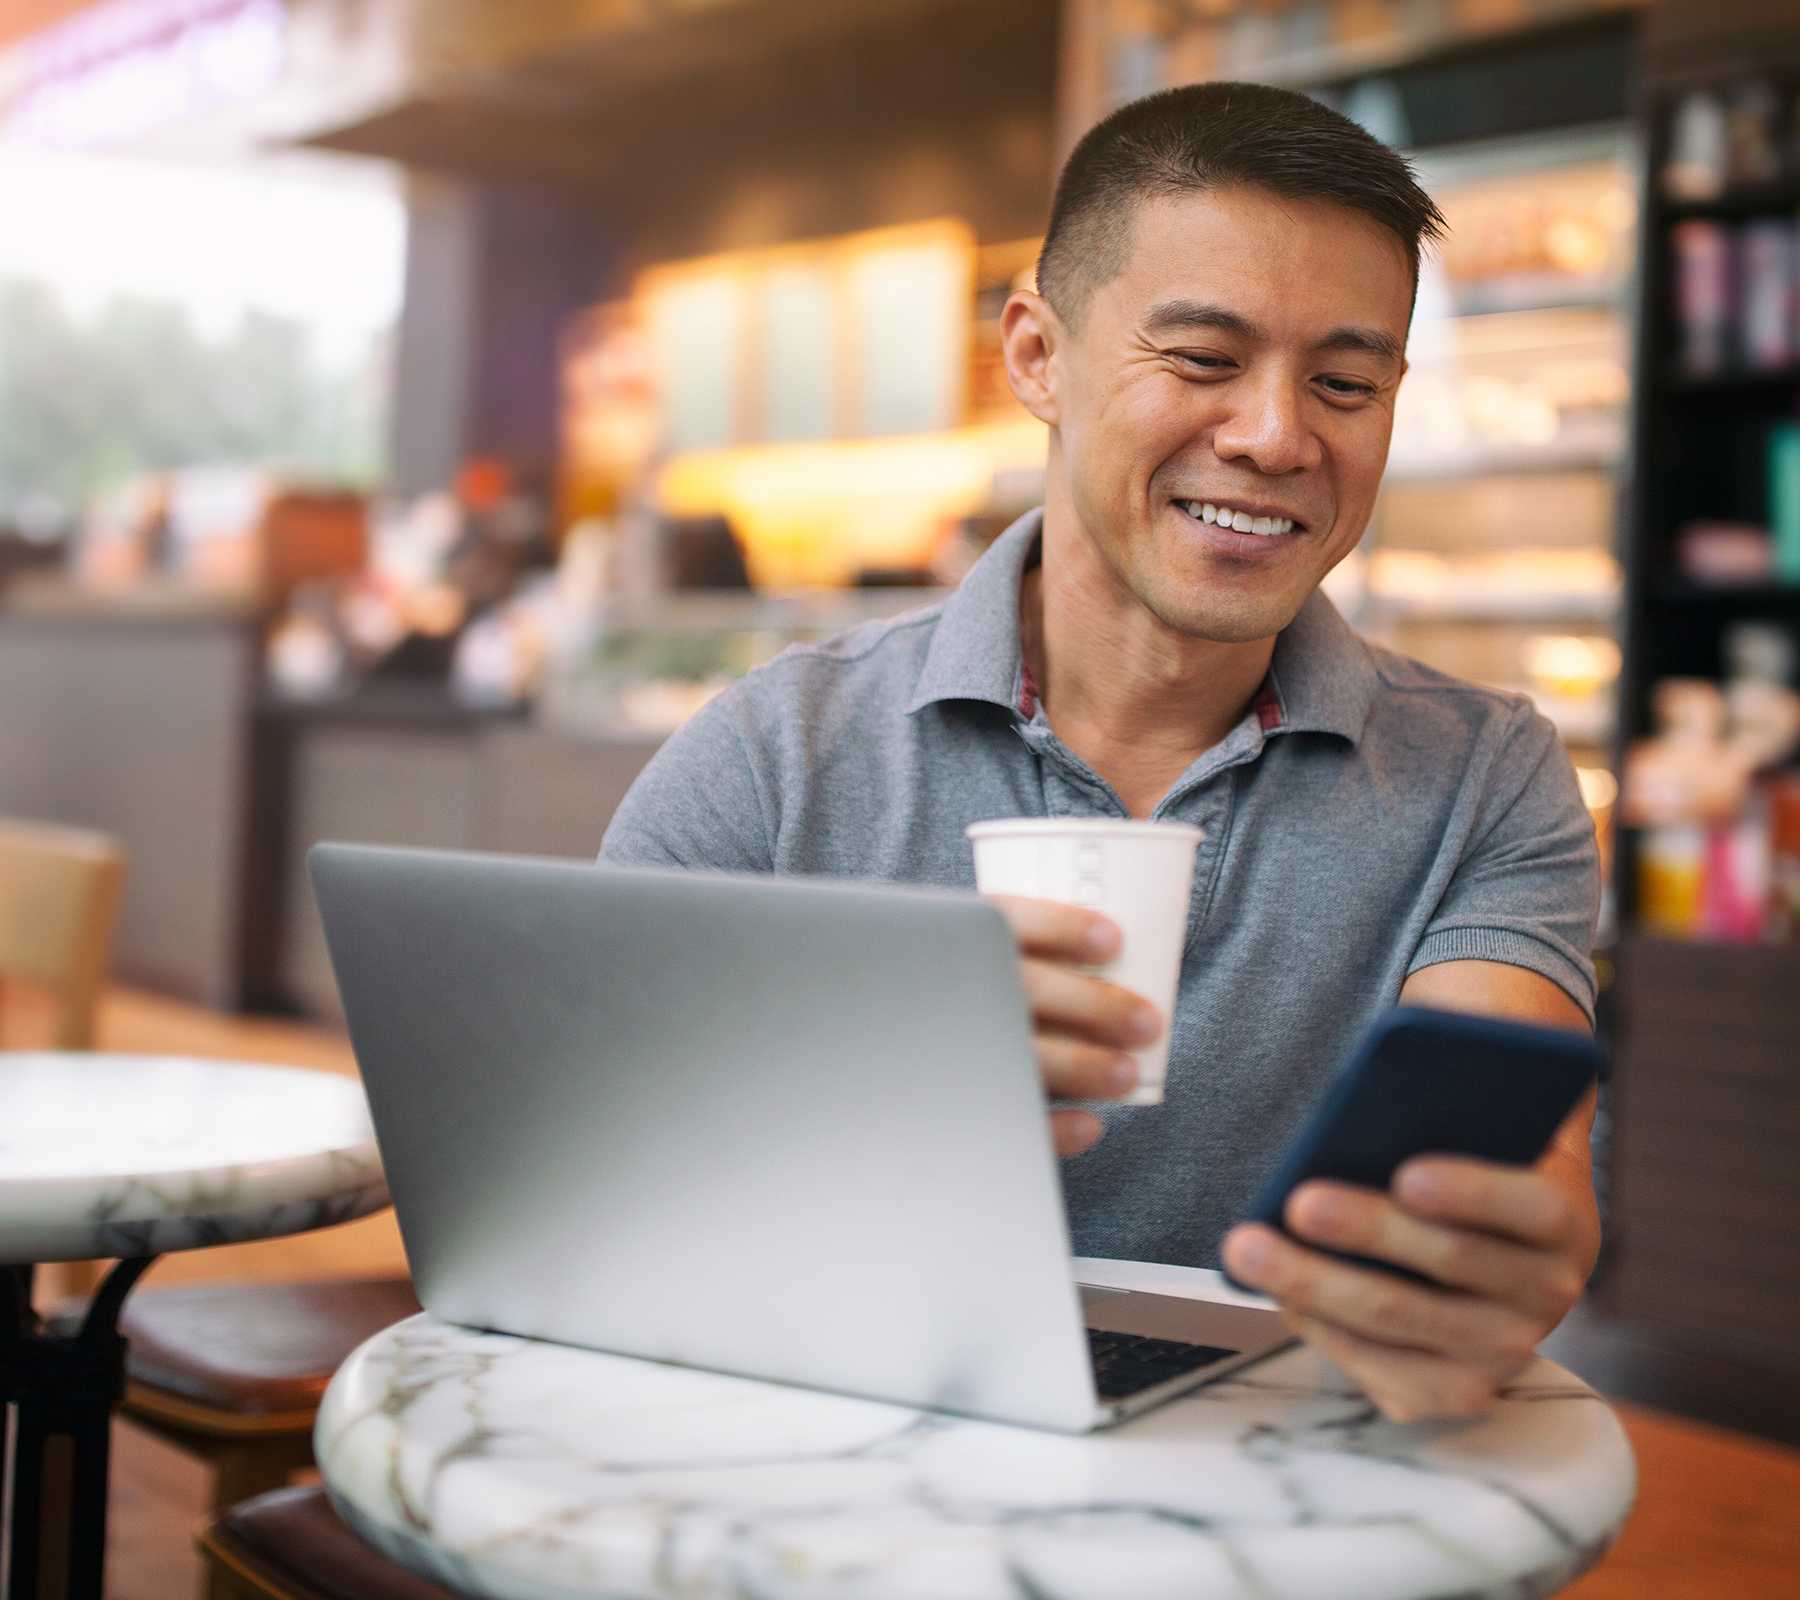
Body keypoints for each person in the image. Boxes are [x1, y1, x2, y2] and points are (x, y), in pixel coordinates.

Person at [601, 82, 1602, 1425]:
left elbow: (1517, 1167)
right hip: (817, 1456)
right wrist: (856, 1080)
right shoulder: (773, 757)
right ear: (1036, 357)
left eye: (1346, 384)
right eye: (1201, 360)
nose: (1274, 435)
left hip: (1265, 1485)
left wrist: (1496, 1258)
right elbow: (590, 1188)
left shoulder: (1487, 780)